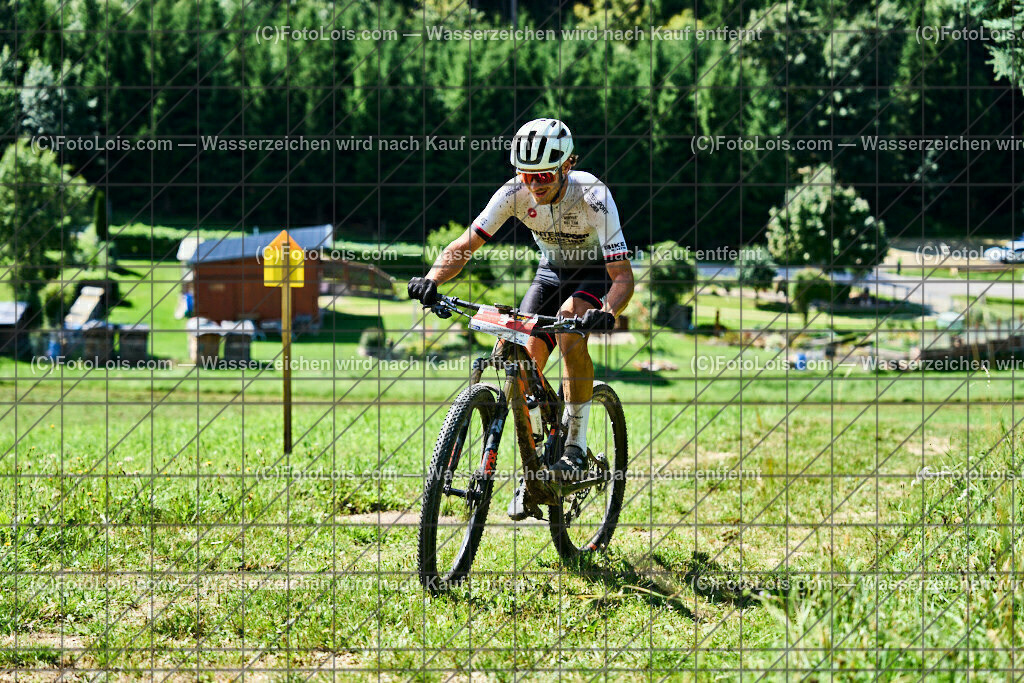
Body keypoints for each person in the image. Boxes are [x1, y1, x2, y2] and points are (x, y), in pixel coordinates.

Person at [408, 118, 634, 519]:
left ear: (568, 166)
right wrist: (431, 279)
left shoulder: (593, 195)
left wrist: (607, 311)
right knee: (518, 356)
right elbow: (466, 244)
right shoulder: (514, 193)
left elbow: (622, 276)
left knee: (568, 329)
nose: (535, 184)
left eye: (544, 175)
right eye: (526, 175)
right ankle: (534, 474)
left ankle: (575, 447)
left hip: (593, 272)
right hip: (549, 273)